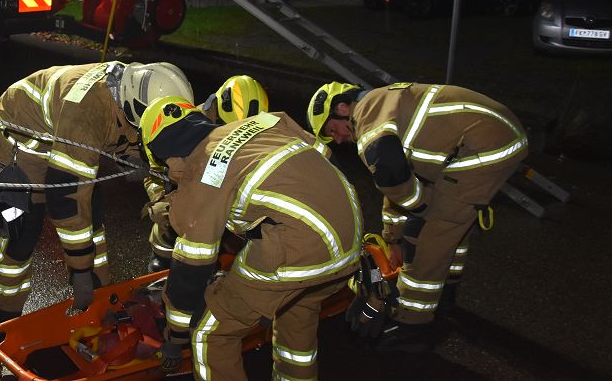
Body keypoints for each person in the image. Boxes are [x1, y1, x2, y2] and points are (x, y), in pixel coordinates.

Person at [140, 97, 361, 381]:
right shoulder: (269, 120)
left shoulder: (199, 171)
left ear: (167, 158)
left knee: (211, 332)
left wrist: (176, 336)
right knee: (297, 312)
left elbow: (193, 266)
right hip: (349, 236)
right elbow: (328, 160)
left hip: (297, 249)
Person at [307, 81, 528, 352]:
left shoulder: (368, 121)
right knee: (451, 228)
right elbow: (399, 182)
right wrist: (393, 238)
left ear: (342, 107)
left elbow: (392, 177)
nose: (339, 140)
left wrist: (420, 213)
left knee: (428, 236)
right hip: (490, 136)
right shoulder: (382, 105)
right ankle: (444, 295)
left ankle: (411, 327)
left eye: (333, 130)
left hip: (485, 146)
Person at [0, 61, 193, 327]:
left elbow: (146, 143)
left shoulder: (144, 90)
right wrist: (80, 271)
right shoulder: (87, 112)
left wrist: (143, 169)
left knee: (91, 214)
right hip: (23, 135)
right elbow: (66, 198)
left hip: (70, 130)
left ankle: (99, 302)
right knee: (21, 231)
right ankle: (3, 316)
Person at [143, 75, 271, 272]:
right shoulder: (185, 124)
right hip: (183, 196)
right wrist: (160, 197)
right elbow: (154, 172)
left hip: (223, 200)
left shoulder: (259, 131)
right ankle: (163, 258)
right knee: (166, 214)